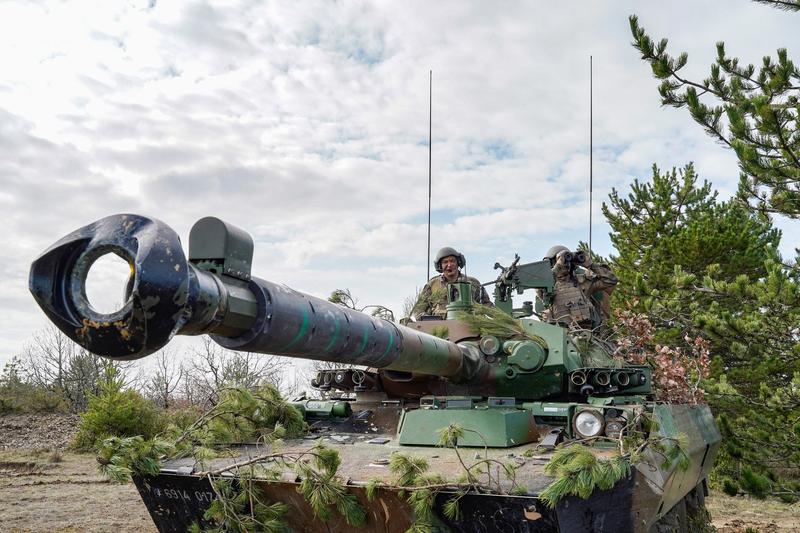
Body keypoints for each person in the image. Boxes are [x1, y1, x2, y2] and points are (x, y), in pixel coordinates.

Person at [542, 245, 617, 329]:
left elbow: (611, 280)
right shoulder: (547, 285)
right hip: (561, 335)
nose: (565, 264)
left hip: (586, 333)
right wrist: (557, 267)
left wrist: (591, 265)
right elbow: (540, 290)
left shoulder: (582, 282)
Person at [412, 246, 492, 319]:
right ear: (440, 266)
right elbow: (418, 310)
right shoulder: (433, 284)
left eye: (452, 261)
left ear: (458, 263)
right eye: (445, 262)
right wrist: (430, 321)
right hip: (439, 330)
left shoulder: (472, 283)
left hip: (469, 327)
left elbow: (487, 305)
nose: (449, 265)